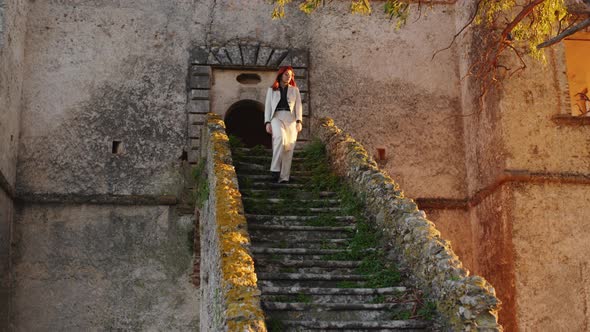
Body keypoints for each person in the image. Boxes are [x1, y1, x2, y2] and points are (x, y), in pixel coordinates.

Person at [264, 66, 303, 183]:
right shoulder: (272, 90)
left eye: (290, 75)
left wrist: (299, 121)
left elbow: (298, 107)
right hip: (276, 117)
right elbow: (268, 107)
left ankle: (284, 177)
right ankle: (275, 170)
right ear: (280, 75)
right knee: (279, 138)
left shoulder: (295, 90)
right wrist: (267, 122)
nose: (288, 76)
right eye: (286, 74)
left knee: (288, 147)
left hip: (291, 119)